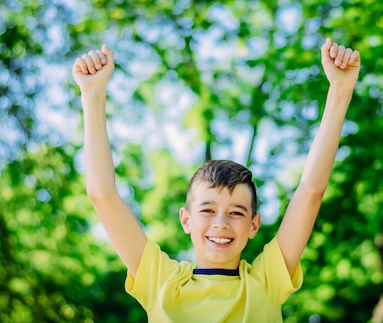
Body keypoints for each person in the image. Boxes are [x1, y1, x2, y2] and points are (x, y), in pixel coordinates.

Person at [72, 38, 361, 322]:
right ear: (186, 219)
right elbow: (102, 194)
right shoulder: (160, 282)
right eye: (208, 210)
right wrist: (92, 95)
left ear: (253, 225)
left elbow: (311, 191)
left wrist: (340, 91)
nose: (221, 222)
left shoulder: (267, 283)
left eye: (236, 212)